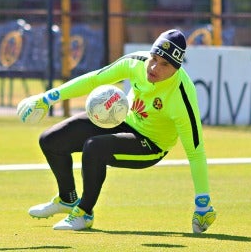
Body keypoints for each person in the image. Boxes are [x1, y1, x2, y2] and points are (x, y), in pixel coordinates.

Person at [17, 29, 216, 233]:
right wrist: (47, 98)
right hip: (121, 120)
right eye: (154, 58)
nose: (154, 67)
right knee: (51, 140)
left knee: (94, 148)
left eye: (165, 64)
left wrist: (203, 203)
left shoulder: (182, 96)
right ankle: (67, 199)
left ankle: (84, 213)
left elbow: (195, 152)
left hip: (150, 144)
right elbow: (95, 79)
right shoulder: (136, 62)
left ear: (177, 68)